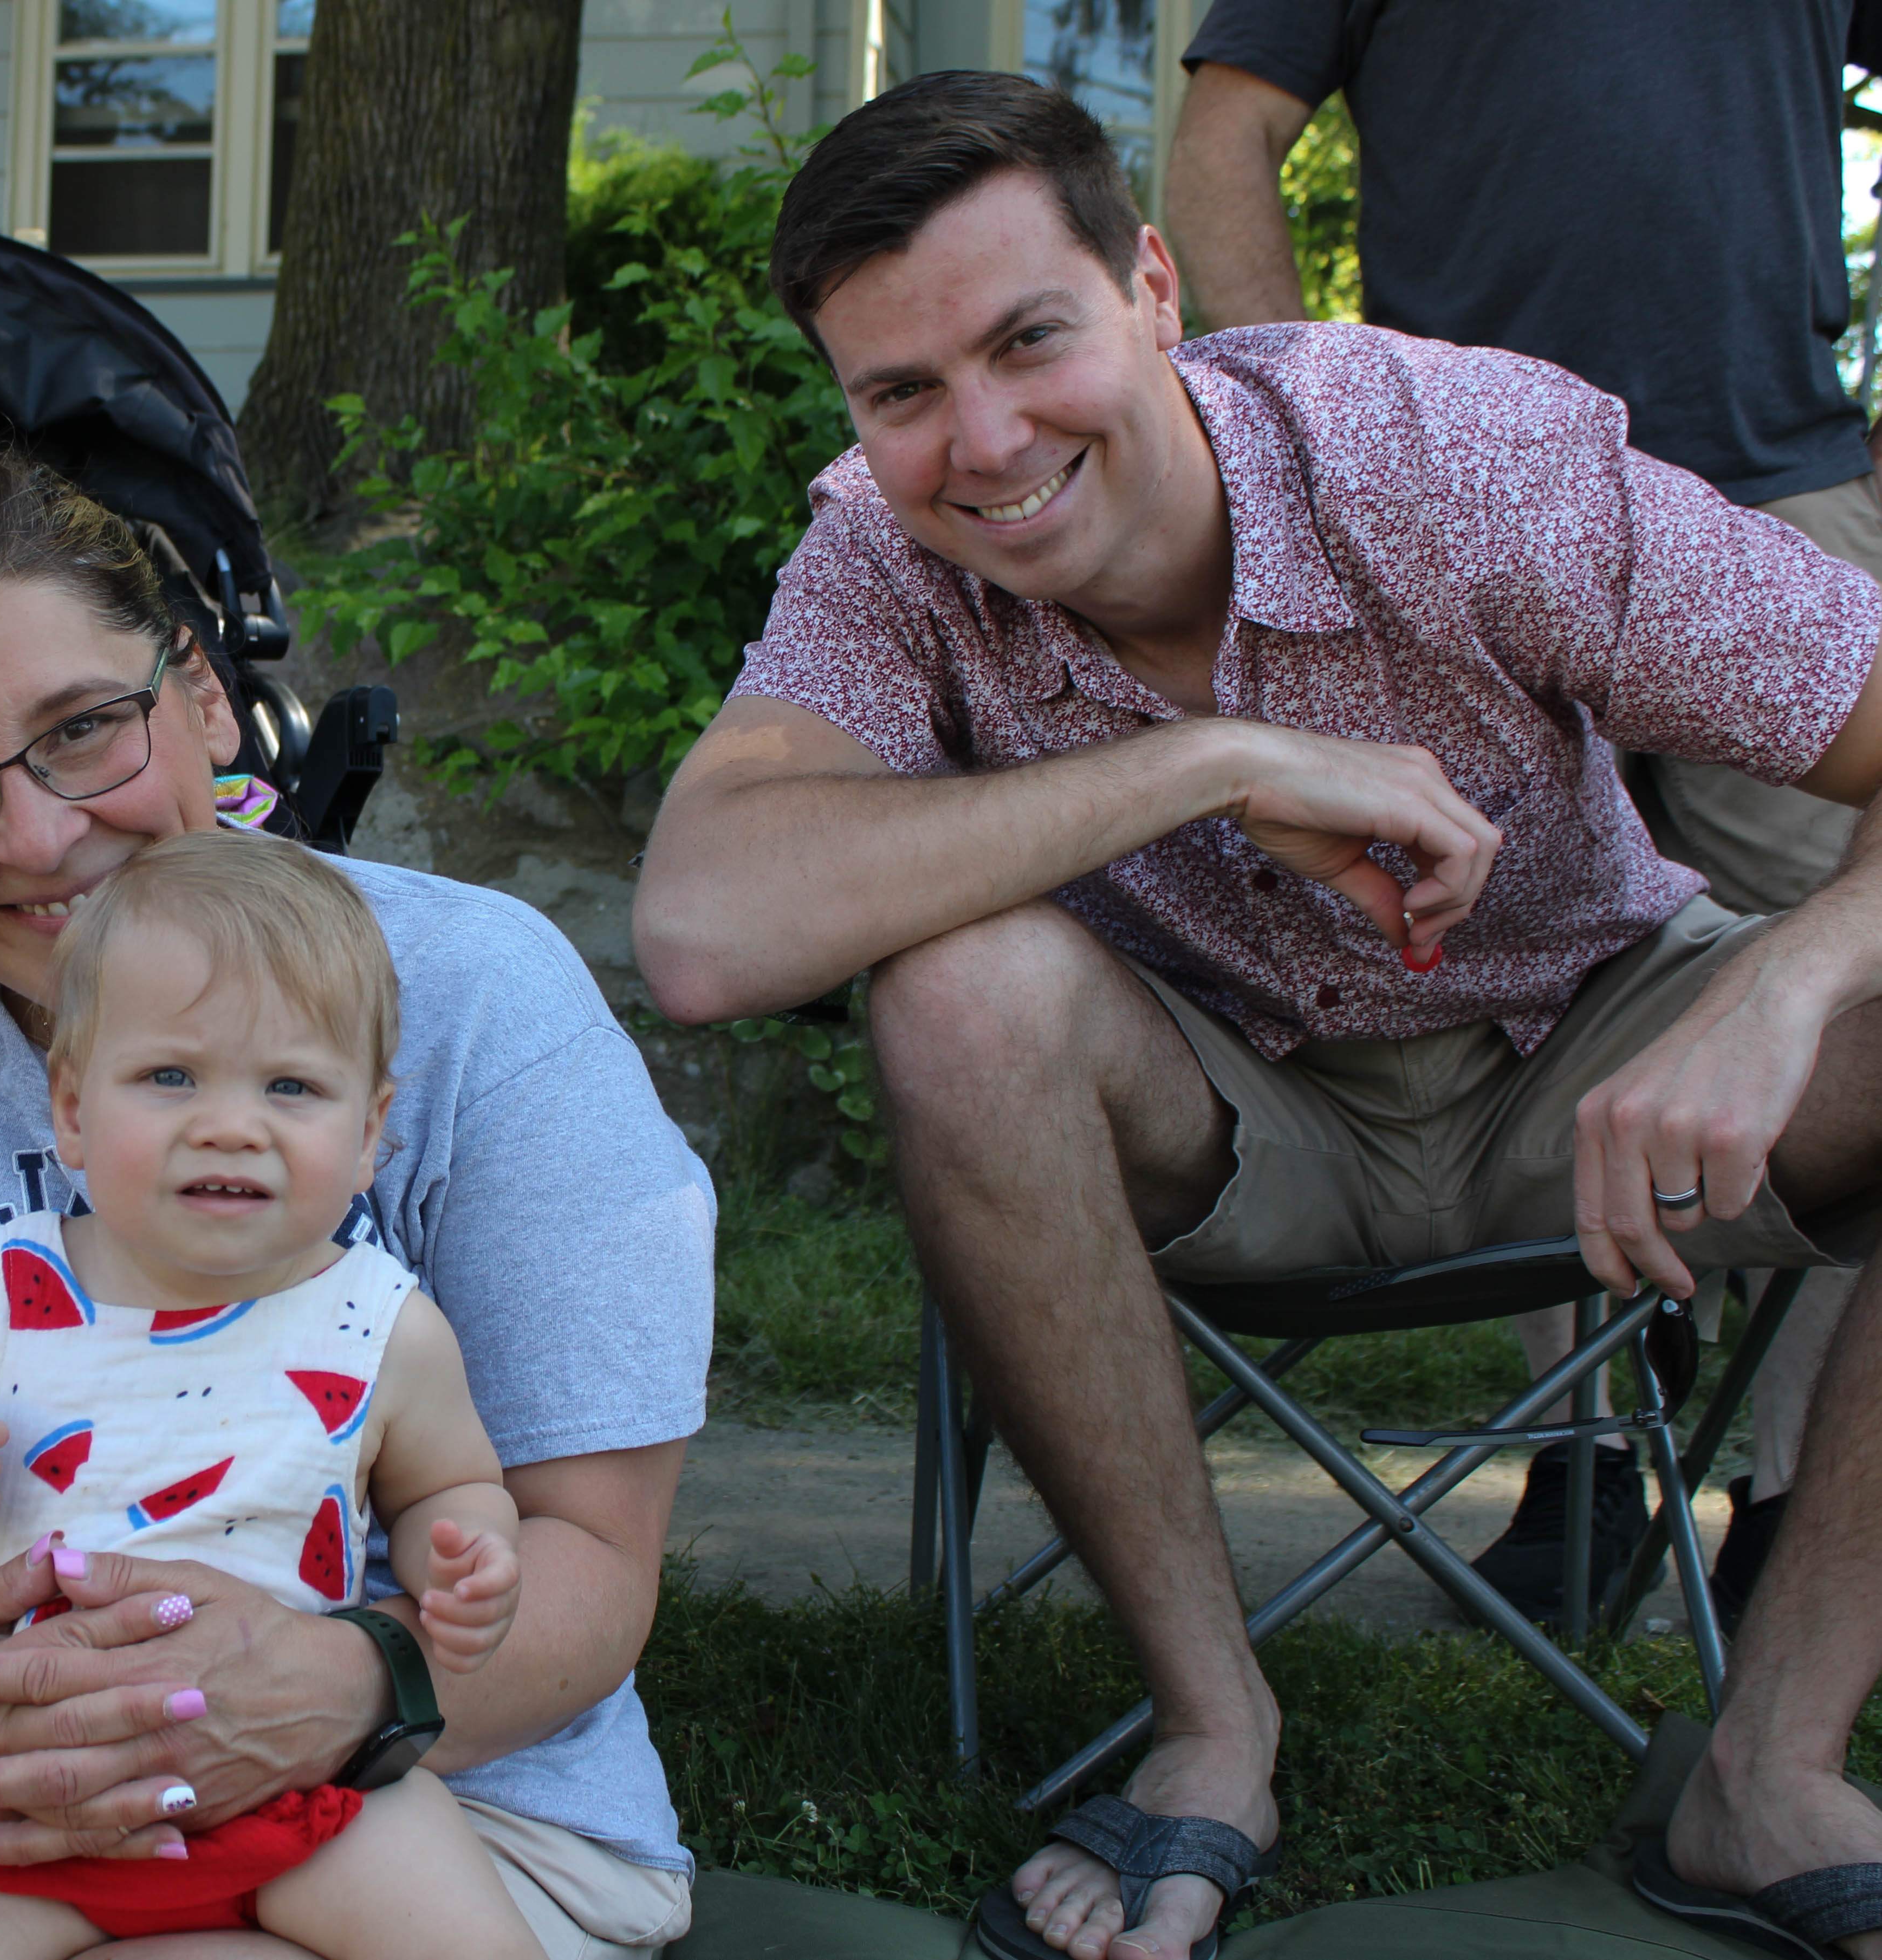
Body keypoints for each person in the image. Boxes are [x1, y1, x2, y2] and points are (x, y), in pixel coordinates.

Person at [631, 72, 1882, 1960]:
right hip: (1224, 1117)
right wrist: (1209, 759)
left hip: (1587, 1047)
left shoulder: (1450, 461)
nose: (981, 441)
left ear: (1151, 286)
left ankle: (1767, 1765)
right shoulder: (881, 556)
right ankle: (1212, 1731)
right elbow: (701, 928)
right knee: (959, 992)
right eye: (898, 393)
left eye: (1027, 339)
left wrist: (1787, 973)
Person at [0, 451, 712, 1960]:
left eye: (84, 729)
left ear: (203, 699)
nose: (36, 836)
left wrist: (345, 1686)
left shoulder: (475, 995)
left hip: (426, 1771)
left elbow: (585, 1553)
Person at [1163, 0, 1882, 1630]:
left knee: (1851, 977)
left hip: (1781, 477)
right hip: (1449, 517)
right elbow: (1223, 134)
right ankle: (1580, 1463)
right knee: (1492, 965)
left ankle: (1792, 1515)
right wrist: (1305, 442)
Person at [0, 828, 540, 1958]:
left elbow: (450, 1484)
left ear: (368, 1134)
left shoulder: (382, 1324)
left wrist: (470, 1556)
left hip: (293, 1785)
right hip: (9, 1796)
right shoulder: (12, 1286)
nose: (230, 1125)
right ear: (71, 1109)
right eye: (170, 1077)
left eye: (291, 1086)